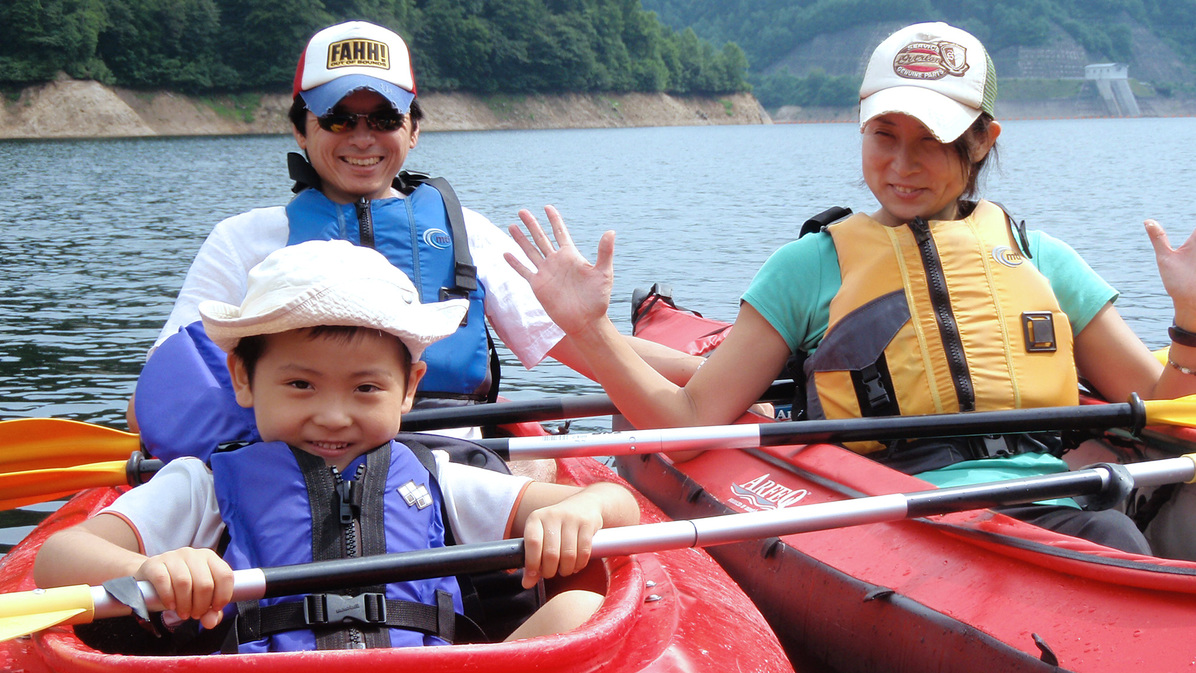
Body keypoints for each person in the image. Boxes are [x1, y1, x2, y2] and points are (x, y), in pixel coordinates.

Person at [504, 22, 1196, 555]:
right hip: (893, 510)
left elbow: (1168, 413)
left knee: (1119, 530)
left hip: (1052, 496)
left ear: (983, 139)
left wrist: (1189, 316)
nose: (902, 164)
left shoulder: (1042, 258)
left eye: (932, 139)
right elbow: (689, 422)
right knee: (1113, 537)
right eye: (883, 135)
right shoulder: (807, 267)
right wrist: (590, 331)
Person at [35, 240, 641, 652]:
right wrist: (147, 568)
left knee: (578, 610)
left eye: (365, 388)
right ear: (244, 378)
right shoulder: (201, 486)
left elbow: (617, 508)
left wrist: (579, 511)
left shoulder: (437, 477)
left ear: (408, 390)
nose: (332, 414)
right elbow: (58, 558)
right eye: (300, 384)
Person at [127, 19, 699, 437]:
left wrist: (715, 377)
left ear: (414, 131)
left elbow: (585, 348)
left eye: (383, 119)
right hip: (295, 464)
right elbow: (161, 397)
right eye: (337, 118)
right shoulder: (242, 242)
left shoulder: (465, 233)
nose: (361, 137)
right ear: (301, 130)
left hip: (448, 461)